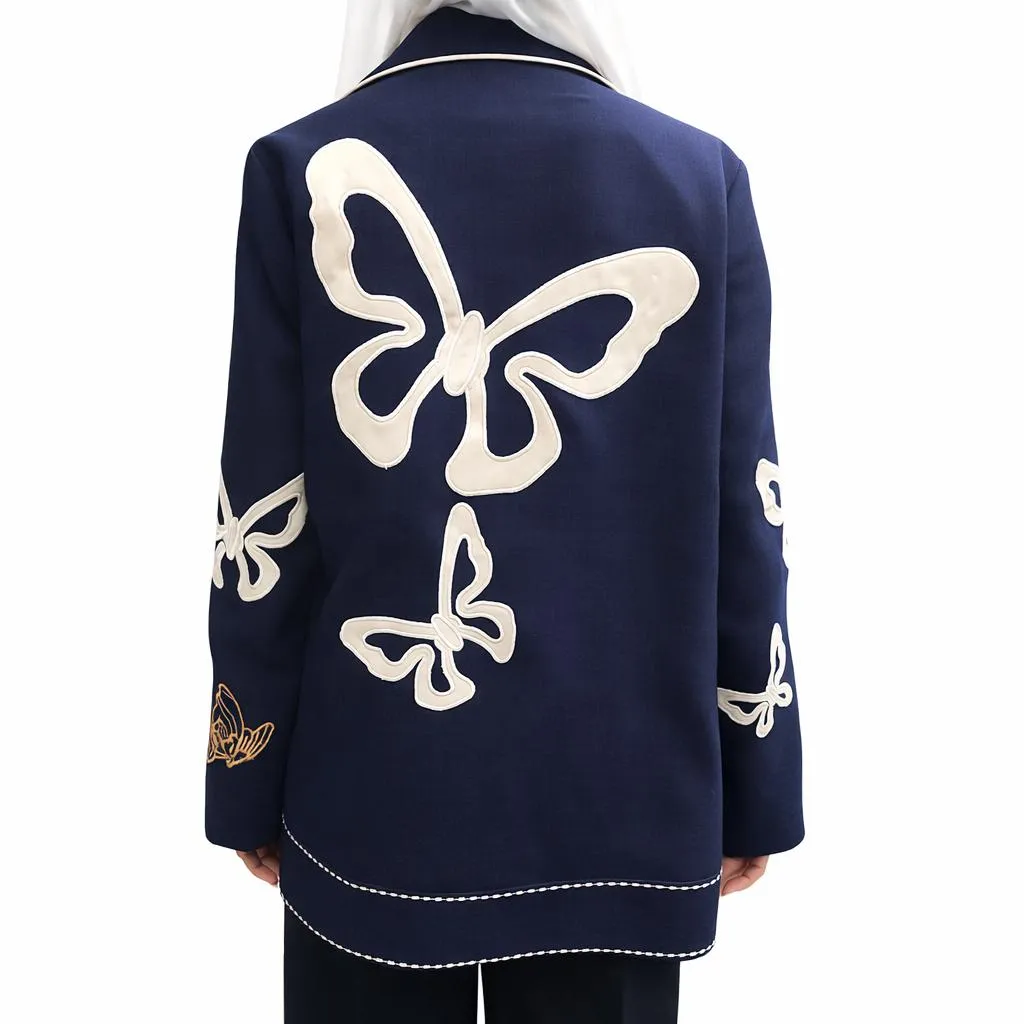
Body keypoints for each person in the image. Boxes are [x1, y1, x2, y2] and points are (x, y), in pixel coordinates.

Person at [204, 1, 804, 1019]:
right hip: (620, 791)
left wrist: (246, 767)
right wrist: (757, 780)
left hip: (375, 782)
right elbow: (745, 506)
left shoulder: (303, 166)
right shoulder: (695, 177)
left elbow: (264, 503)